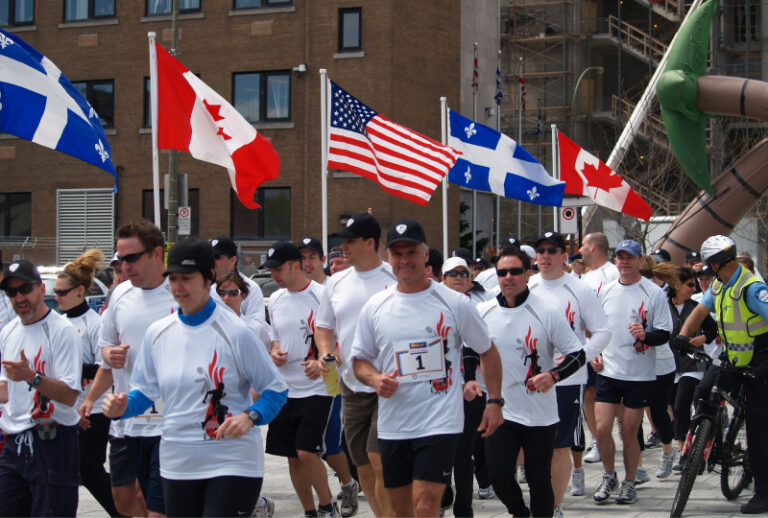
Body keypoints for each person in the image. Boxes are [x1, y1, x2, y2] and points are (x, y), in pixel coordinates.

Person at [102, 237, 288, 517]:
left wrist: (250, 416)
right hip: (178, 461)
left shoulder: (236, 333)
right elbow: (144, 392)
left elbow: (276, 390)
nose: (178, 287)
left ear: (208, 278)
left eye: (186, 278)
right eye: (173, 278)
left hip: (232, 461)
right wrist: (122, 407)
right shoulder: (158, 333)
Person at [350, 218, 503, 518]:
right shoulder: (376, 307)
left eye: (411, 252)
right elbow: (358, 361)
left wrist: (495, 401)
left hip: (440, 420)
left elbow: (488, 350)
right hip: (394, 423)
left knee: (426, 501)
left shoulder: (455, 303)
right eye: (397, 254)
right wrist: (376, 378)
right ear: (389, 258)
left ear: (425, 254)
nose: (404, 260)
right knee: (401, 507)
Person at [477, 246, 586, 517]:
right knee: (498, 475)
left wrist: (553, 376)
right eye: (502, 272)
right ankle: (519, 512)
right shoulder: (484, 311)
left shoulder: (546, 311)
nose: (508, 277)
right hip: (501, 409)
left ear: (528, 274)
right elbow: (469, 349)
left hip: (540, 415)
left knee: (539, 481)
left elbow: (577, 354)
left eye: (515, 271)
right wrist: (469, 379)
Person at [88, 219, 178, 517]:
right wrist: (108, 356)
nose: (124, 267)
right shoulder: (120, 295)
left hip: (167, 419)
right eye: (120, 259)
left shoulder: (179, 293)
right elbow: (105, 349)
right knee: (122, 498)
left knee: (150, 502)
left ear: (156, 254)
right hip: (126, 419)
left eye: (131, 258)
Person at [675, 235, 768, 514]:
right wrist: (682, 335)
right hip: (733, 357)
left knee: (758, 427)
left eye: (708, 264)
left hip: (761, 359)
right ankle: (706, 441)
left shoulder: (752, 288)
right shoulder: (718, 284)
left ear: (716, 263)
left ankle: (764, 492)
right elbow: (702, 310)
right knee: (703, 391)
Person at [314, 213, 396, 518]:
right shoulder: (335, 283)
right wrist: (325, 353)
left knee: (379, 458)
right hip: (349, 384)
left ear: (370, 243)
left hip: (387, 385)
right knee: (362, 465)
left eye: (350, 240)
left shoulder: (393, 279)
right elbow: (323, 326)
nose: (343, 246)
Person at [528, 232, 611, 517]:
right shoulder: (527, 287)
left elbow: (603, 331)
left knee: (559, 445)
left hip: (567, 380)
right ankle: (539, 499)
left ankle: (554, 506)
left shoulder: (579, 288)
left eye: (552, 250)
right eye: (541, 250)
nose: (546, 256)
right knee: (533, 446)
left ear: (565, 255)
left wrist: (579, 359)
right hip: (532, 379)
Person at [591, 240, 672, 506]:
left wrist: (645, 335)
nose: (624, 262)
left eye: (630, 257)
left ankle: (629, 481)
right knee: (602, 429)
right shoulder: (606, 290)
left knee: (629, 432)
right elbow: (594, 327)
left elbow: (664, 333)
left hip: (639, 374)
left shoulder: (653, 293)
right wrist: (595, 352)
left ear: (640, 261)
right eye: (620, 257)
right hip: (608, 370)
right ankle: (608, 475)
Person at [0, 260, 82, 517]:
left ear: (40, 288)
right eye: (12, 292)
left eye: (24, 289)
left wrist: (32, 377)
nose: (19, 298)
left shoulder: (61, 331)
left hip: (53, 441)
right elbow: (6, 390)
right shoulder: (8, 331)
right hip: (14, 442)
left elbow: (70, 396)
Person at [263, 241, 339, 518]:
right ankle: (309, 511)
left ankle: (328, 505)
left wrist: (323, 362)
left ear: (296, 266)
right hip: (285, 387)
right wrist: (274, 351)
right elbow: (274, 337)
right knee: (292, 457)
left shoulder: (322, 295)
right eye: (270, 270)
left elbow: (342, 339)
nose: (274, 275)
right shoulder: (277, 298)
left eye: (278, 269)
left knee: (308, 452)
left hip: (322, 385)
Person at [55, 249, 122, 517]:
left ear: (80, 291)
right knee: (66, 471)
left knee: (90, 470)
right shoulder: (58, 323)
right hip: (65, 410)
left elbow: (101, 368)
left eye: (62, 292)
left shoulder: (95, 324)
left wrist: (70, 368)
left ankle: (122, 513)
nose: (57, 297)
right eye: (56, 292)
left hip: (92, 409)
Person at [440, 256, 493, 517]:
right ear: (443, 278)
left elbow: (485, 346)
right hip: (440, 390)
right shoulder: (434, 305)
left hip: (473, 388)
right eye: (453, 274)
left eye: (463, 273)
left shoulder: (484, 303)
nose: (459, 278)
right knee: (440, 451)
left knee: (464, 452)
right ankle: (443, 493)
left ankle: (464, 507)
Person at [668, 268, 719, 462]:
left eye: (694, 284)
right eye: (690, 284)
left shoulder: (696, 307)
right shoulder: (664, 306)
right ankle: (682, 442)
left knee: (682, 404)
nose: (694, 288)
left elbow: (713, 329)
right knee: (673, 406)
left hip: (693, 363)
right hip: (670, 365)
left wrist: (703, 337)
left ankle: (684, 451)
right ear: (676, 286)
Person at [579, 232, 619, 465]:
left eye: (583, 245)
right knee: (588, 394)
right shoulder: (586, 278)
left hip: (609, 346)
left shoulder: (611, 273)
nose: (580, 249)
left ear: (593, 247)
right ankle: (596, 440)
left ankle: (628, 439)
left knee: (619, 402)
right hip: (589, 347)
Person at [209, 235, 266, 322]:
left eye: (217, 257)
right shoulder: (205, 287)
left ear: (233, 260)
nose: (212, 261)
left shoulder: (251, 288)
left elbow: (257, 326)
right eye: (209, 257)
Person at [215, 272, 271, 349]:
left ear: (243, 296)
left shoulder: (255, 329)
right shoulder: (209, 327)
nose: (226, 297)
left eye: (233, 293)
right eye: (222, 293)